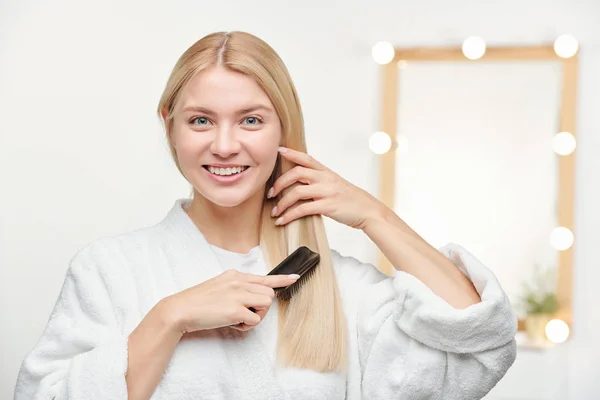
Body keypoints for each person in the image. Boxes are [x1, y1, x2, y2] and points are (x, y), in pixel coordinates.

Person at [14, 31, 517, 400]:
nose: (225, 145)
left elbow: (476, 344)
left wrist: (375, 216)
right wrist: (171, 318)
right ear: (169, 126)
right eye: (201, 120)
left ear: (282, 128)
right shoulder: (109, 270)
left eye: (251, 120)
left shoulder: (338, 287)